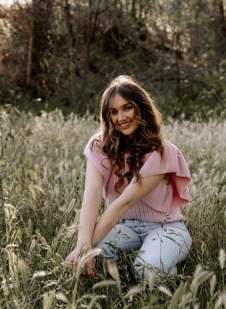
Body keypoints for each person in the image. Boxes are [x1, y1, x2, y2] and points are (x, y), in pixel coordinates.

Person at [64, 75, 193, 285]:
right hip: (122, 226)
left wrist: (84, 248)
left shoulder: (162, 152)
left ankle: (169, 281)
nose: (121, 117)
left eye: (127, 108)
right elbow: (92, 193)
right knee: (94, 258)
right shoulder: (99, 146)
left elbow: (125, 202)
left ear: (141, 108)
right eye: (113, 112)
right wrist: (83, 246)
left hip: (165, 228)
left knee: (147, 270)